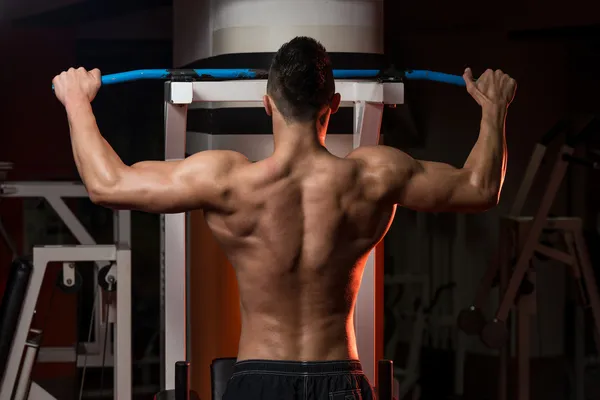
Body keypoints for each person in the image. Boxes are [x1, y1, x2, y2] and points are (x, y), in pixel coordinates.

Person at [52, 36, 516, 400]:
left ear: (267, 104)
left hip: (258, 382)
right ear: (332, 106)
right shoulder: (374, 175)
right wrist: (494, 111)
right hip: (340, 378)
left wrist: (77, 102)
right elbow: (479, 188)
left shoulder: (230, 181)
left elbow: (107, 184)